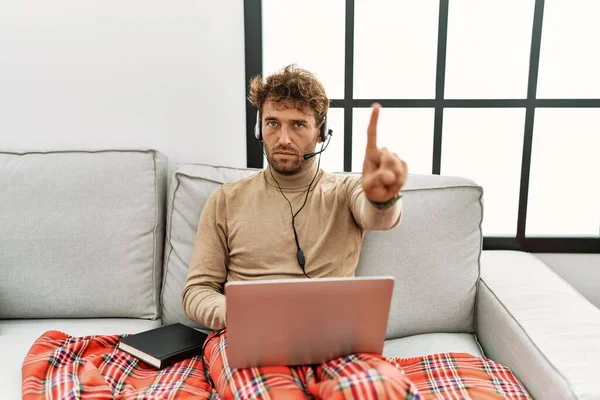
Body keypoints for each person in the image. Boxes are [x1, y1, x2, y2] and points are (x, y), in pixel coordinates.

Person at [182, 64, 415, 399]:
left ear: (321, 132)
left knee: (379, 390)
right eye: (273, 123)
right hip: (249, 338)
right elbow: (197, 291)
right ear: (259, 128)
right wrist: (244, 316)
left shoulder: (346, 191)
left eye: (299, 125)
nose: (284, 138)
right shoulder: (226, 200)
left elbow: (378, 217)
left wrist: (383, 199)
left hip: (335, 339)